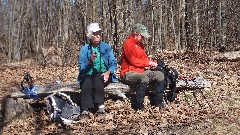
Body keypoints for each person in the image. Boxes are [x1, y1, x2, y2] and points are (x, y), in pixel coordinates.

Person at [120, 23, 165, 111]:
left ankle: (158, 102)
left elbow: (144, 59)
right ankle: (138, 105)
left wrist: (151, 64)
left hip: (141, 71)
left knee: (159, 74)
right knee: (144, 78)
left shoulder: (140, 45)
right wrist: (148, 63)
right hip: (128, 73)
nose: (143, 38)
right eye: (142, 36)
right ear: (136, 33)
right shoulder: (127, 43)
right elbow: (133, 60)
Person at [77, 23, 118, 114]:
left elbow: (113, 63)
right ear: (90, 36)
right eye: (95, 34)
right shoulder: (85, 49)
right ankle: (85, 109)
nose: (98, 36)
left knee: (98, 79)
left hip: (104, 73)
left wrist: (108, 72)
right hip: (88, 73)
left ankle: (100, 107)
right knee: (86, 80)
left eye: (99, 34)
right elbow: (81, 67)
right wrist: (89, 61)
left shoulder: (106, 47)